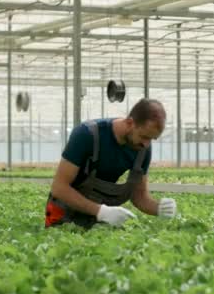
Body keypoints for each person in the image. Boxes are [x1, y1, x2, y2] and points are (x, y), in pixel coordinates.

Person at [45, 98, 176, 229]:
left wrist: (159, 209)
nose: (146, 144)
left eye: (152, 139)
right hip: (64, 212)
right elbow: (59, 187)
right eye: (144, 137)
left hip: (96, 216)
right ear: (130, 123)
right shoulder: (87, 134)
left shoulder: (142, 149)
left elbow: (139, 196)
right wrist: (101, 212)